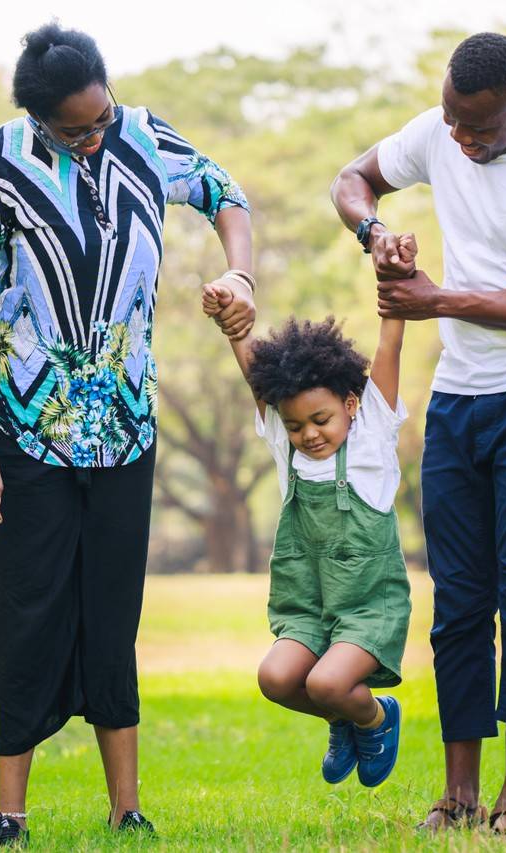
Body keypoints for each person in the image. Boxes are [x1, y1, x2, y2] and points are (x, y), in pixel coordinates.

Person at [0, 22, 255, 847]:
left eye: (101, 118)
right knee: (23, 615)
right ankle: (11, 813)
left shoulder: (144, 136)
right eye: (76, 130)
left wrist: (239, 270)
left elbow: (226, 194)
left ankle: (127, 807)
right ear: (39, 119)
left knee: (114, 616)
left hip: (124, 428)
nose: (95, 138)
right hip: (22, 430)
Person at [331, 32, 506, 834]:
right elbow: (351, 180)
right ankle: (458, 792)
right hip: (459, 395)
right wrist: (373, 234)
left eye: (478, 128)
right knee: (457, 600)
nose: (459, 139)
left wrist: (439, 301)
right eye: (452, 120)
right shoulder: (441, 129)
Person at [201, 271, 413, 790]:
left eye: (320, 420)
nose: (308, 435)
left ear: (350, 404)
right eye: (295, 426)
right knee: (275, 679)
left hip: (368, 607)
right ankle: (343, 716)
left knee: (325, 682)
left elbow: (390, 343)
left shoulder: (371, 442)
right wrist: (234, 328)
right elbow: (257, 376)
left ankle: (375, 718)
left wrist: (398, 286)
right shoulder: (286, 449)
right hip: (308, 609)